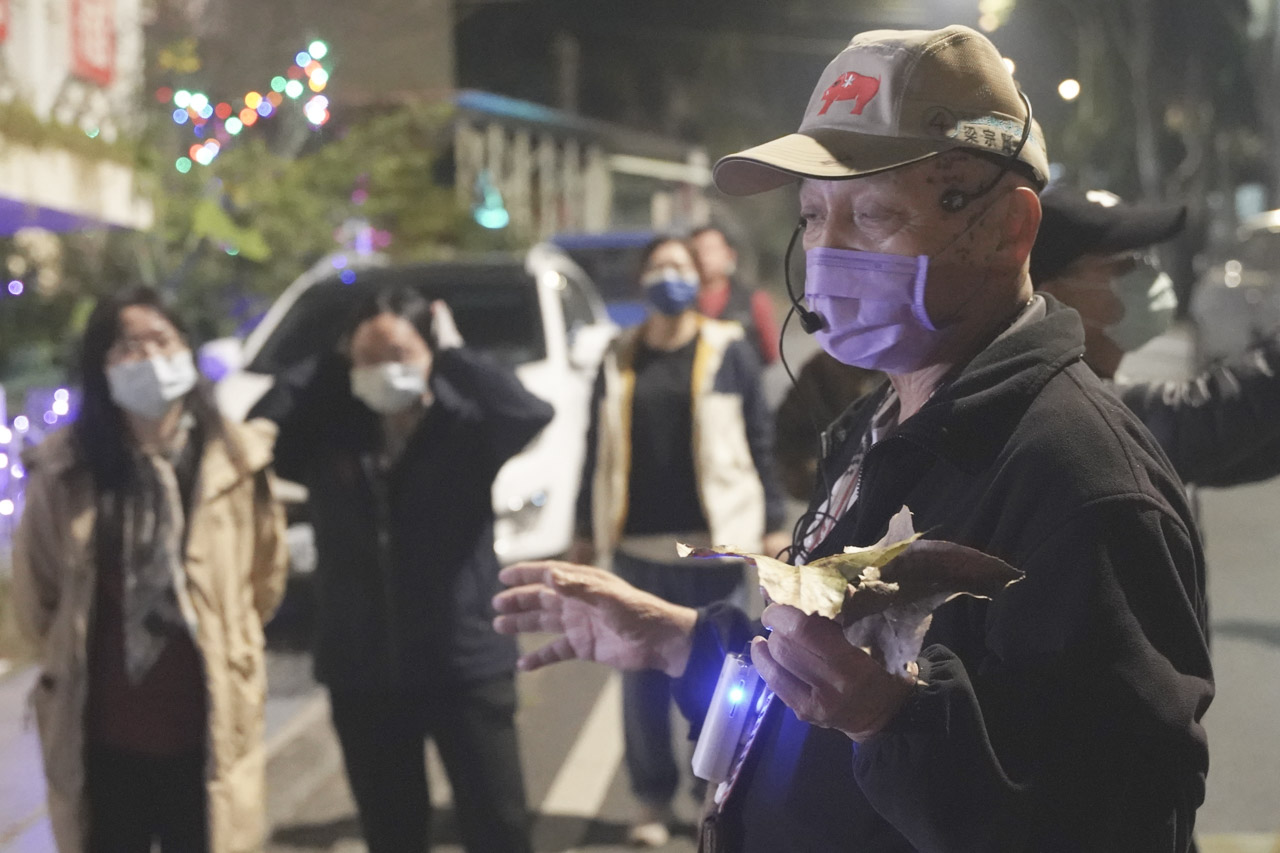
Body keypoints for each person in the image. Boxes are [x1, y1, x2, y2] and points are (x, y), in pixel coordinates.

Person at [494, 24, 1212, 851]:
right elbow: (827, 684)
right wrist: (684, 642)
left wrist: (893, 721)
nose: (826, 253)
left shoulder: (1078, 481)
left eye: (872, 213)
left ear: (1012, 230)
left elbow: (1124, 823)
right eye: (812, 214)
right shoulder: (882, 423)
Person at [250, 287, 551, 853]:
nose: (387, 369)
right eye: (369, 357)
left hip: (464, 661)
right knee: (392, 832)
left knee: (499, 825)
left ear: (430, 352)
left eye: (402, 353)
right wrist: (335, 360)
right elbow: (261, 421)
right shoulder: (328, 433)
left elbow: (529, 412)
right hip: (363, 668)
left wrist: (457, 355)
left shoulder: (466, 426)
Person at [12, 287, 289, 853]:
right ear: (101, 366)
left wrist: (227, 636)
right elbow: (36, 598)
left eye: (161, 340)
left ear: (187, 350)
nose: (148, 358)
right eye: (126, 347)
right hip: (103, 734)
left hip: (210, 727)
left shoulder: (236, 461)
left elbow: (264, 579)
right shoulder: (65, 470)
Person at [571, 234, 789, 846]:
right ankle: (650, 798)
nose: (670, 274)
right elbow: (595, 448)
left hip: (708, 544)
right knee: (638, 678)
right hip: (636, 545)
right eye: (658, 266)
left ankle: (714, 789)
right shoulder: (618, 354)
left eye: (681, 265)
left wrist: (772, 517)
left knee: (714, 676)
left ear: (700, 278)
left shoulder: (727, 348)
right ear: (642, 280)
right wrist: (584, 533)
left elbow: (758, 438)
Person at [1034, 184, 1280, 487]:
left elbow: (1239, 449)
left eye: (1143, 258)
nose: (1147, 273)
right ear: (1053, 296)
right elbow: (1199, 422)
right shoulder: (1058, 410)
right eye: (1124, 265)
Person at [691, 225, 782, 365]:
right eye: (696, 251)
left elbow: (770, 353)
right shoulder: (681, 303)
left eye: (710, 249)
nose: (703, 257)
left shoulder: (753, 300)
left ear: (729, 255)